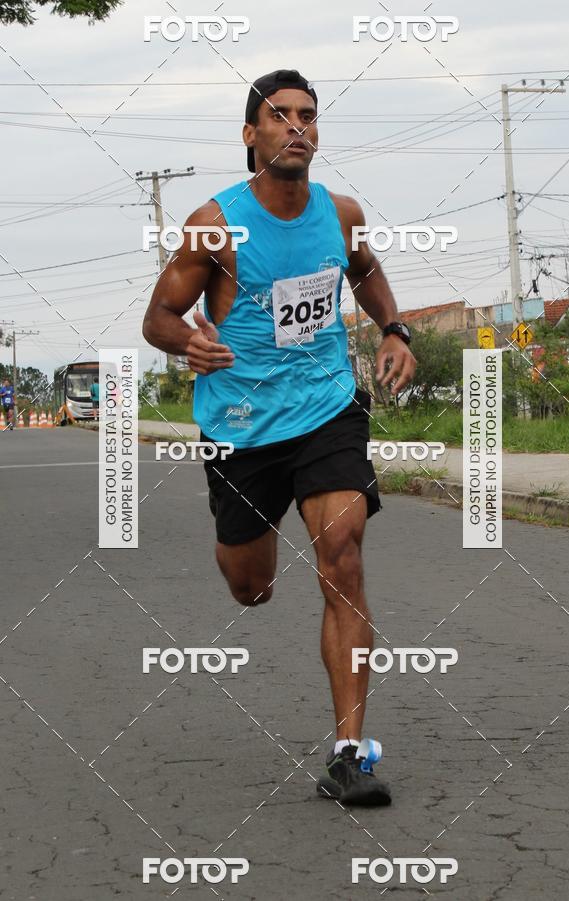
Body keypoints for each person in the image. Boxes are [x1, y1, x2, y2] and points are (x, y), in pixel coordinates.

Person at [143, 69, 416, 806]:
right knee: (251, 586)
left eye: (308, 116)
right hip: (241, 427)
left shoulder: (342, 213)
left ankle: (348, 755)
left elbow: (366, 271)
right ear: (250, 135)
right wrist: (187, 344)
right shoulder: (215, 223)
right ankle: (241, 544)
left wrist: (393, 328)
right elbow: (159, 318)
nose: (297, 126)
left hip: (327, 408)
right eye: (280, 115)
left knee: (344, 556)